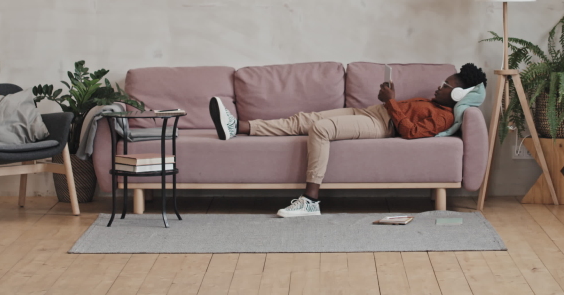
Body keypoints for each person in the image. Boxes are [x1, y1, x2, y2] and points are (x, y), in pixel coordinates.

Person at [208, 63, 488, 218]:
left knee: (321, 129)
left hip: (382, 124)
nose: (440, 86)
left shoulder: (443, 116)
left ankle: (310, 200)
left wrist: (391, 102)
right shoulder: (433, 103)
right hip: (372, 112)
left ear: (459, 95)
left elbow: (410, 132)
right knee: (305, 119)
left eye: (446, 86)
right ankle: (237, 127)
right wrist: (388, 100)